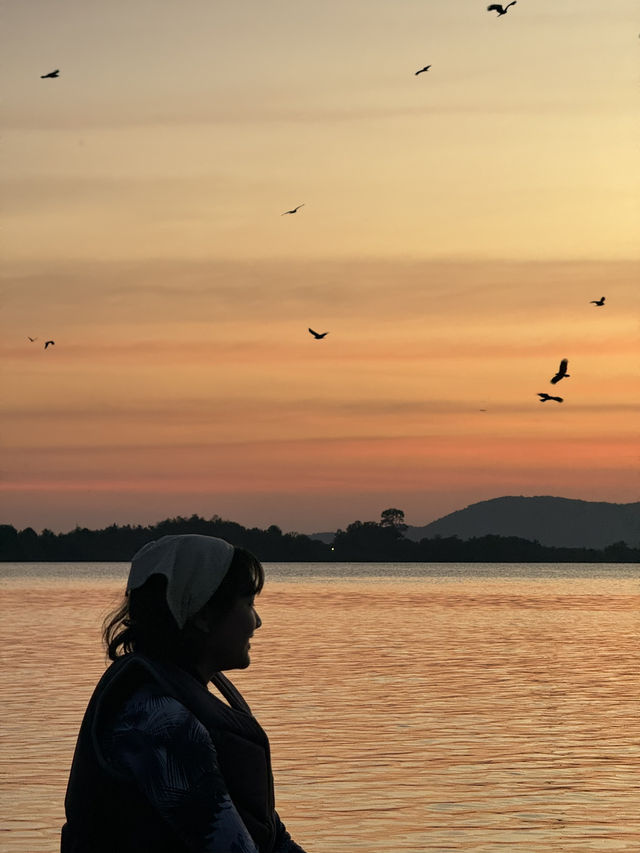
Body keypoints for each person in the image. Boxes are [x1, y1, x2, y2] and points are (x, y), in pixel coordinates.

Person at [61, 534, 308, 853]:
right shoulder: (158, 722)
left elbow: (273, 838)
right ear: (202, 615)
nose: (257, 622)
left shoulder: (182, 698)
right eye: (248, 604)